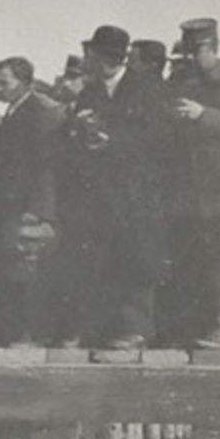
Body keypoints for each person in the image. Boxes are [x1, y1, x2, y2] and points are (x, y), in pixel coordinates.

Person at [63, 24, 169, 349]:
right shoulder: (89, 92)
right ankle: (102, 329)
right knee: (100, 260)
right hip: (99, 192)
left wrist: (114, 142)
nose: (86, 60)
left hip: (136, 193)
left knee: (136, 260)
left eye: (90, 55)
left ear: (104, 58)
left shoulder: (146, 89)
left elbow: (159, 138)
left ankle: (136, 329)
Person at [162, 17, 220, 348]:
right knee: (193, 260)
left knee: (218, 260)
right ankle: (198, 326)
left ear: (213, 48)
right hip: (187, 191)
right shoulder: (182, 82)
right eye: (187, 51)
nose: (190, 58)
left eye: (197, 51)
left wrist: (204, 115)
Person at [0, 56, 67, 345]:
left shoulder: (38, 113)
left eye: (4, 82)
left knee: (27, 270)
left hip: (27, 206)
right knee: (13, 268)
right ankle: (15, 332)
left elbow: (43, 166)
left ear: (23, 83)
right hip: (11, 203)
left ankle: (29, 333)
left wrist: (38, 209)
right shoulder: (14, 110)